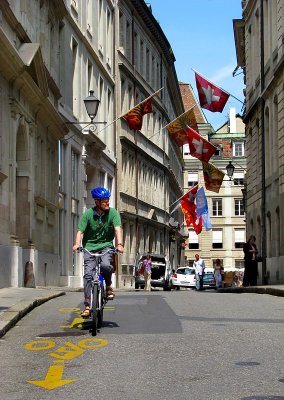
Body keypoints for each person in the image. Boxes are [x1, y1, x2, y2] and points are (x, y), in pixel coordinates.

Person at [72, 187, 124, 318]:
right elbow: (80, 231)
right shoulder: (88, 214)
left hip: (106, 246)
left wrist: (119, 244)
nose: (107, 203)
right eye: (104, 201)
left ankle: (108, 286)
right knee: (88, 275)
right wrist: (77, 244)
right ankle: (88, 306)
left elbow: (117, 230)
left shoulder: (113, 213)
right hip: (89, 247)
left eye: (108, 200)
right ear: (97, 202)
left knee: (106, 266)